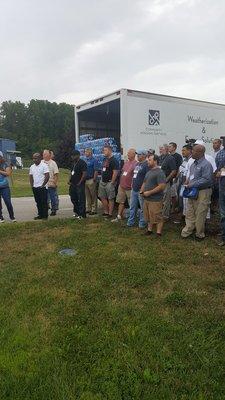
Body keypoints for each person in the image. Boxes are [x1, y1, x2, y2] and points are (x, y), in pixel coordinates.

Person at [181, 145, 213, 241]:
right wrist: (188, 181)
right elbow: (192, 176)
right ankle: (187, 231)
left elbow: (207, 180)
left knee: (200, 213)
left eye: (193, 151)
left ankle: (199, 234)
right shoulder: (193, 164)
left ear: (200, 152)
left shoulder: (206, 165)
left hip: (203, 191)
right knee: (190, 211)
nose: (191, 153)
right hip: (193, 190)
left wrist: (192, 184)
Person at [140, 154, 166, 236]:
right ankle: (149, 230)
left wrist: (149, 192)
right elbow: (144, 182)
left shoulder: (160, 172)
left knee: (157, 216)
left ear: (155, 161)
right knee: (148, 216)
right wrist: (142, 191)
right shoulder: (149, 171)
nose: (148, 161)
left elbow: (162, 186)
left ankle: (158, 233)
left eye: (150, 160)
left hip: (155, 200)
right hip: (147, 199)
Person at [112, 148, 137, 222]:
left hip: (129, 187)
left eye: (129, 153)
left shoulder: (136, 164)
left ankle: (133, 218)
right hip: (122, 186)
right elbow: (123, 171)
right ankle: (119, 216)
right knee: (121, 202)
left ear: (133, 154)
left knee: (131, 204)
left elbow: (135, 176)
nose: (127, 154)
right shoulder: (126, 162)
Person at [127, 150, 149, 228]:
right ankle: (130, 222)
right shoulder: (137, 164)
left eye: (139, 154)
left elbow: (147, 178)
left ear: (144, 155)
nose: (137, 156)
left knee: (143, 208)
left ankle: (142, 223)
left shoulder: (146, 165)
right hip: (134, 189)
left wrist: (143, 189)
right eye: (137, 154)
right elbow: (134, 175)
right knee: (132, 206)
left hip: (141, 189)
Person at [98, 146, 119, 218]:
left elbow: (115, 172)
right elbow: (103, 169)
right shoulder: (105, 159)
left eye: (105, 150)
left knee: (110, 198)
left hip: (109, 182)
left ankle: (110, 213)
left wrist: (112, 182)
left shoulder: (114, 160)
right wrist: (101, 178)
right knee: (102, 197)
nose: (104, 151)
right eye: (103, 150)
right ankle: (106, 212)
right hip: (103, 181)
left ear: (110, 151)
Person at [159, 144, 177, 219]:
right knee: (160, 199)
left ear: (166, 149)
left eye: (162, 149)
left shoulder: (170, 158)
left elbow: (174, 171)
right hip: (158, 182)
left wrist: (167, 180)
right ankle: (160, 214)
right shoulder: (160, 158)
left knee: (166, 200)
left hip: (166, 182)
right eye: (159, 149)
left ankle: (165, 216)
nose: (160, 150)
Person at [29, 153, 50, 220]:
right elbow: (31, 176)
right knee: (38, 202)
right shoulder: (32, 167)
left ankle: (45, 216)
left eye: (36, 158)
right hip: (35, 187)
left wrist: (43, 185)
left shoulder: (44, 165)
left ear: (40, 158)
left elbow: (47, 176)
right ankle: (40, 215)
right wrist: (32, 185)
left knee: (43, 202)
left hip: (42, 187)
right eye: (33, 158)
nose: (34, 160)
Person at [69, 150, 87, 219]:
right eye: (72, 156)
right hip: (73, 184)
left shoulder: (82, 163)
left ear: (78, 155)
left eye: (74, 155)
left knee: (81, 199)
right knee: (73, 198)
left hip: (80, 184)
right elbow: (71, 172)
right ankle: (77, 212)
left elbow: (84, 173)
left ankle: (82, 214)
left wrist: (80, 182)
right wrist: (69, 180)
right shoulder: (73, 163)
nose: (72, 157)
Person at [0, 151, 16, 223]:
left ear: (1, 157)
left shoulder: (5, 164)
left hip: (4, 187)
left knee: (8, 202)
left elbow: (8, 173)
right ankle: (1, 217)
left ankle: (12, 217)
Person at [42, 149, 59, 216]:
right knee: (44, 198)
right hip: (43, 184)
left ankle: (54, 210)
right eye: (43, 154)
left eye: (45, 154)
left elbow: (56, 174)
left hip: (50, 183)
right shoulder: (41, 162)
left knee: (53, 198)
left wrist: (54, 183)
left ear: (49, 155)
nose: (43, 155)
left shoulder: (53, 163)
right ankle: (45, 209)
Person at [83, 148, 98, 215]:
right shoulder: (85, 160)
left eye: (86, 152)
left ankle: (94, 209)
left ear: (90, 152)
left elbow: (96, 170)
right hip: (85, 180)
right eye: (85, 152)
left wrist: (94, 179)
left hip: (91, 179)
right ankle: (89, 208)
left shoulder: (94, 160)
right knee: (87, 195)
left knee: (93, 195)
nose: (85, 153)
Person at [168, 142, 183, 212]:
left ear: (174, 148)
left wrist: (176, 177)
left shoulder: (178, 156)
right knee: (169, 193)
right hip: (168, 178)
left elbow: (179, 168)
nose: (169, 148)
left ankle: (173, 208)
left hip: (174, 178)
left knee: (174, 194)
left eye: (170, 146)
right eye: (168, 146)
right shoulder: (167, 156)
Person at [215, 143, 225, 246]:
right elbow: (218, 170)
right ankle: (223, 237)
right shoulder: (220, 153)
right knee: (223, 214)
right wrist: (218, 172)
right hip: (222, 186)